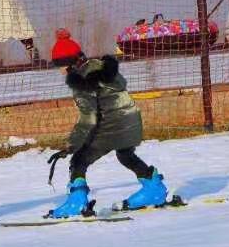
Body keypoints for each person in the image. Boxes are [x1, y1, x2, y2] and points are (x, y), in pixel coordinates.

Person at [45, 29, 168, 218]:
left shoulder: (81, 82)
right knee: (125, 155)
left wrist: (71, 145)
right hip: (132, 119)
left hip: (112, 126)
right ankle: (154, 189)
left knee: (79, 160)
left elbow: (88, 118)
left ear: (68, 65)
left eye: (60, 66)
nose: (60, 71)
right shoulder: (101, 67)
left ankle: (77, 202)